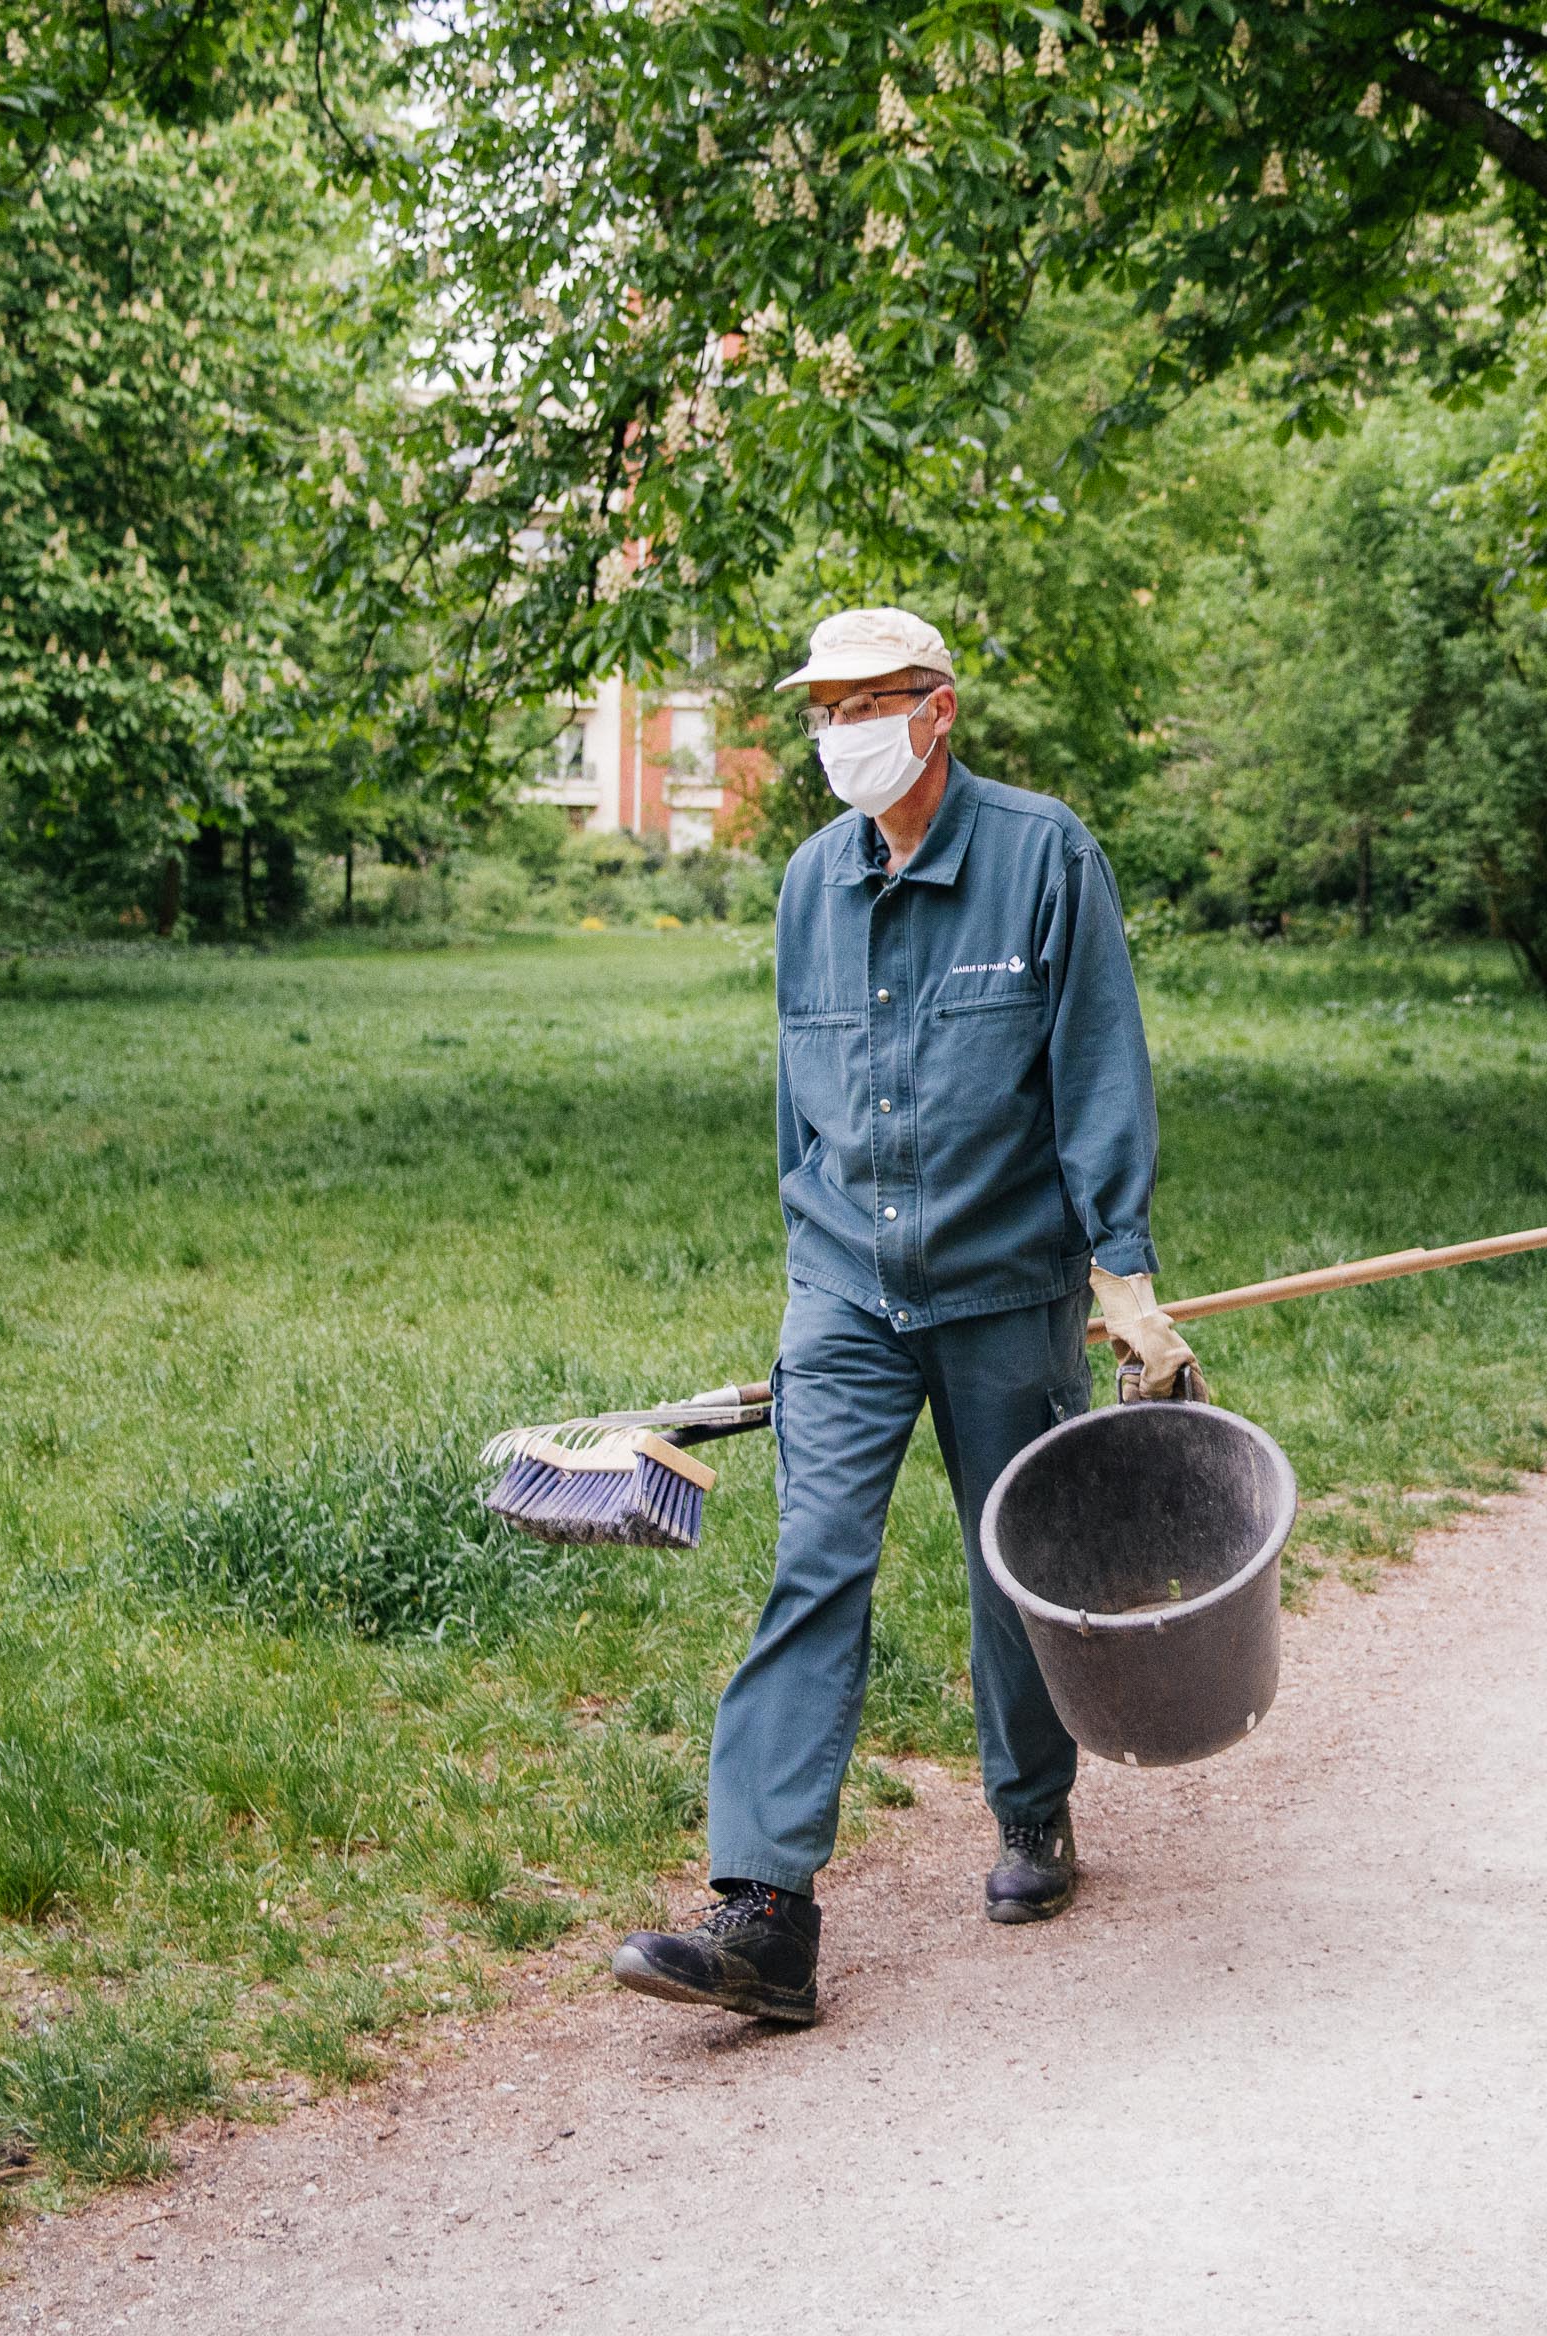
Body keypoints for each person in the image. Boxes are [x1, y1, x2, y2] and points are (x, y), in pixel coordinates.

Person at [610, 607, 1196, 2027]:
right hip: (847, 1295)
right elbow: (796, 1103)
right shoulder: (811, 883)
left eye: (867, 703)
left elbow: (1096, 1067)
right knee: (814, 1559)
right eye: (822, 709)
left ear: (938, 712)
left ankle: (1032, 1812)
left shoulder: (1044, 857)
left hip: (1006, 1281)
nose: (839, 733)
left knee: (1017, 1553)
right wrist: (809, 1269)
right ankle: (764, 1912)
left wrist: (1119, 1272)